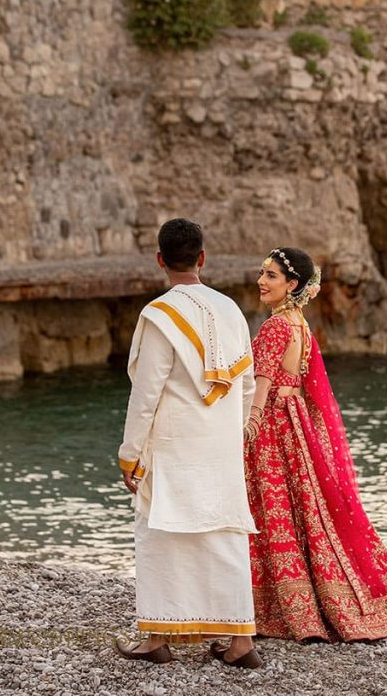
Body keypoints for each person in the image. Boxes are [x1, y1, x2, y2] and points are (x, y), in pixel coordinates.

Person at [244, 247, 387, 641]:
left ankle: (287, 608)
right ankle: (329, 600)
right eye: (262, 273)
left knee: (274, 509)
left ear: (292, 285)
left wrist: (252, 422)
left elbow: (263, 379)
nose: (262, 280)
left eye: (272, 275)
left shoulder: (277, 327)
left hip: (275, 423)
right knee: (308, 512)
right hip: (294, 423)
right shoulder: (300, 324)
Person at [116, 218, 262, 669]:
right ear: (202, 258)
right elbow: (248, 385)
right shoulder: (232, 309)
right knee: (226, 533)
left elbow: (146, 394)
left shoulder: (159, 315)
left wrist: (130, 453)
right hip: (220, 449)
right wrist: (230, 436)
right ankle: (240, 645)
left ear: (160, 260)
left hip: (174, 446)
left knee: (160, 532)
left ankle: (157, 639)